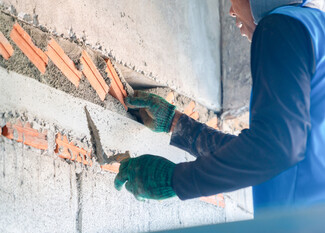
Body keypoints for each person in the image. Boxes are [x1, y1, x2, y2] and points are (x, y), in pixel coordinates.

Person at [114, 0, 325, 215]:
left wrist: (174, 180)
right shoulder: (313, 29)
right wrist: (178, 125)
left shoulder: (282, 27)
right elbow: (263, 154)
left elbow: (275, 150)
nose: (232, 11)